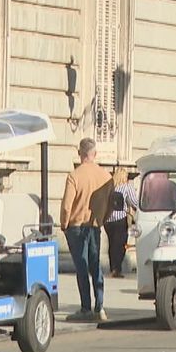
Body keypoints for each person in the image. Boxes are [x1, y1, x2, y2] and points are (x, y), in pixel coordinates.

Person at [59, 138, 114, 323]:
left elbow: (67, 206)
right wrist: (102, 220)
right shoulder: (106, 177)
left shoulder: (74, 176)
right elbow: (112, 206)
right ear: (95, 154)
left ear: (80, 153)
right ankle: (100, 307)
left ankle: (85, 308)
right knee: (95, 265)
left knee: (82, 268)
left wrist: (64, 224)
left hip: (76, 227)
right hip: (95, 227)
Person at [104, 168, 139, 279]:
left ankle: (112, 268)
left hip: (108, 220)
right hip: (120, 219)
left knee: (112, 244)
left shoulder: (109, 187)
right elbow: (134, 201)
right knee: (120, 245)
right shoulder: (127, 186)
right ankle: (117, 269)